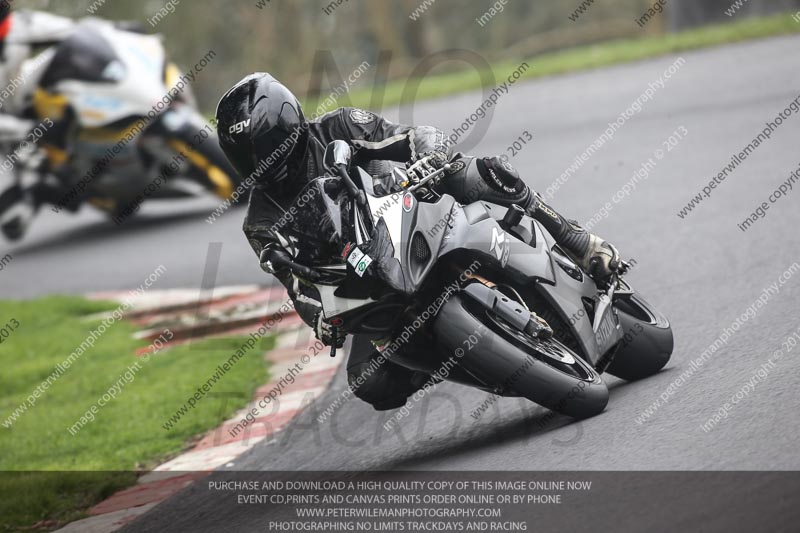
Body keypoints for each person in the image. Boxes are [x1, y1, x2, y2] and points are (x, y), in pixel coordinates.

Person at [216, 72, 621, 410]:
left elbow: (408, 136)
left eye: (266, 148)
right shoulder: (260, 222)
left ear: (289, 124)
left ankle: (579, 241)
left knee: (481, 172)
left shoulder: (337, 127)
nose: (260, 164)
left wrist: (429, 154)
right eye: (247, 157)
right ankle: (458, 358)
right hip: (366, 275)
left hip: (416, 203)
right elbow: (298, 287)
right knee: (369, 383)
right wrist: (321, 320)